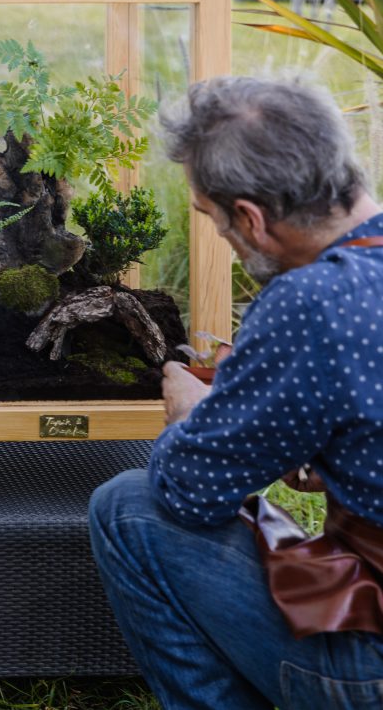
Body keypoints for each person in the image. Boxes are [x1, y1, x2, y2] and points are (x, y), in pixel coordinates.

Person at [88, 76, 383, 710]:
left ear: (249, 216)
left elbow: (190, 492)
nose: (221, 232)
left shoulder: (312, 304)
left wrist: (192, 418)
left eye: (211, 217)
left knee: (130, 506)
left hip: (374, 669)